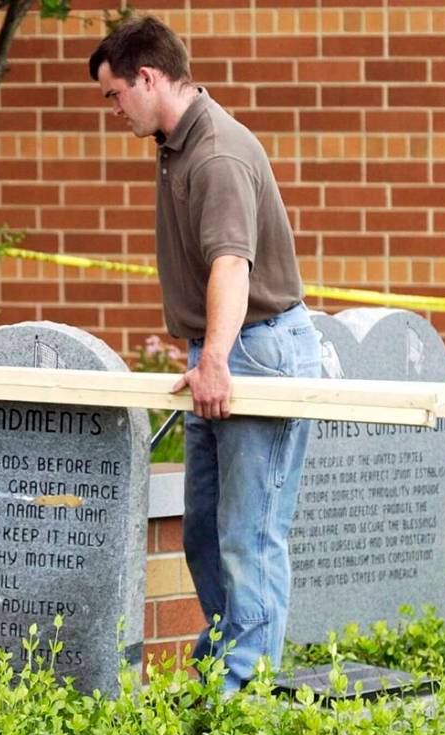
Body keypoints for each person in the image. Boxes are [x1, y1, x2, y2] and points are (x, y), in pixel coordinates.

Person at [90, 16, 321, 693]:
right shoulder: (176, 143)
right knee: (203, 534)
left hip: (256, 350)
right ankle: (226, 669)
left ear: (150, 78)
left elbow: (231, 263)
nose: (112, 110)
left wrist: (214, 357)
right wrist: (201, 348)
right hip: (221, 348)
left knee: (249, 536)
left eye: (114, 95)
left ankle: (243, 697)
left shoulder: (215, 151)